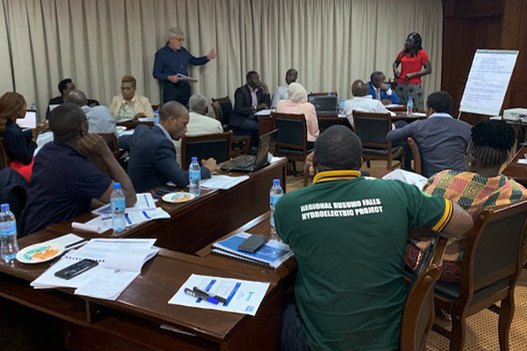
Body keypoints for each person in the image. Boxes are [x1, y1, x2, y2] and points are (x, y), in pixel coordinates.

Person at [275, 125, 473, 351]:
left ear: (314, 163)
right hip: (390, 342)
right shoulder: (398, 193)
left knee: (281, 304)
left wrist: (312, 181)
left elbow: (300, 233)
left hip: (320, 346)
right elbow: (464, 222)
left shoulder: (288, 207)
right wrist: (406, 229)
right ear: (360, 162)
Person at [406, 120, 527, 282]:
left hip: (443, 266)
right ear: (505, 158)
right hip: (489, 268)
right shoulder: (520, 194)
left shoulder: (443, 180)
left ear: (471, 159)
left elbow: (417, 219)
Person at [21, 103, 136, 236]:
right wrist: (105, 152)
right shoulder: (74, 166)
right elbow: (129, 197)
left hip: (33, 231)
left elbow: (81, 193)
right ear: (84, 128)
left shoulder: (45, 152)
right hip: (48, 238)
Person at [117, 101, 217, 192]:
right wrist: (207, 169)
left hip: (136, 192)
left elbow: (120, 141)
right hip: (152, 197)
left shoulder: (141, 130)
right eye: (184, 124)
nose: (186, 129)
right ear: (172, 120)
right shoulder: (162, 144)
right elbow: (180, 179)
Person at [386, 91, 471, 178]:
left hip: (430, 178)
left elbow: (390, 137)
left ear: (430, 110)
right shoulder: (466, 128)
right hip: (459, 178)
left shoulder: (418, 126)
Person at [153, 27, 216, 105]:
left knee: (186, 113)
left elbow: (194, 61)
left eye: (182, 40)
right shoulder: (161, 54)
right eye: (179, 40)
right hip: (171, 89)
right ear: (171, 39)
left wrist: (207, 58)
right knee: (172, 113)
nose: (181, 42)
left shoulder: (183, 51)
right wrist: (169, 77)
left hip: (185, 88)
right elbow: (156, 73)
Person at [0, 92, 47, 182]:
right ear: (16, 110)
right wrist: (34, 138)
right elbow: (27, 159)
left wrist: (36, 129)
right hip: (18, 169)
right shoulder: (13, 131)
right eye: (24, 106)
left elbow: (20, 136)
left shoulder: (7, 126)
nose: (26, 109)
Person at [174, 93, 223, 165]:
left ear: (188, 107)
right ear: (206, 109)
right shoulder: (216, 125)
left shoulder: (178, 125)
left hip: (183, 169)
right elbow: (221, 149)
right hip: (211, 167)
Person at [393, 32, 432, 111]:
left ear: (416, 43)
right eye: (407, 41)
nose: (407, 43)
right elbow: (395, 63)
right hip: (401, 83)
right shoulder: (403, 53)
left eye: (410, 41)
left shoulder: (421, 54)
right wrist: (395, 70)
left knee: (415, 108)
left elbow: (428, 69)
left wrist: (414, 74)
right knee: (399, 106)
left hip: (414, 84)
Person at [231, 71, 271, 145]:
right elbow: (238, 109)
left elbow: (267, 105)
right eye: (256, 79)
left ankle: (262, 148)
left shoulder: (259, 91)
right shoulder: (241, 91)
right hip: (241, 119)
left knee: (267, 125)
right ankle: (256, 149)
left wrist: (266, 91)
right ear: (249, 80)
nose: (259, 81)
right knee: (260, 127)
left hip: (254, 117)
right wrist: (256, 107)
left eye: (258, 78)